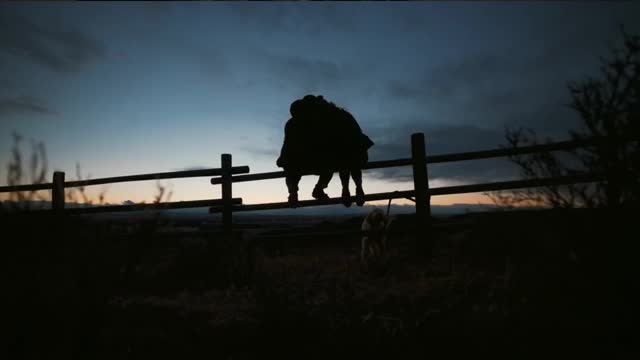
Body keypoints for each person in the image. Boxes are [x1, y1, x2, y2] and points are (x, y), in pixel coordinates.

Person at [276, 95, 374, 207]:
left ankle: (296, 193)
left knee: (335, 161)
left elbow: (293, 145)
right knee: (335, 162)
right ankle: (346, 189)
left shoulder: (302, 122)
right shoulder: (320, 118)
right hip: (342, 151)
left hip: (337, 151)